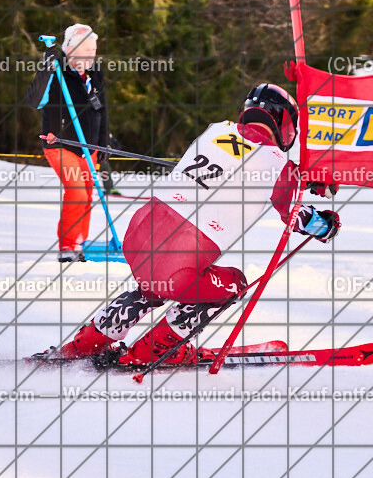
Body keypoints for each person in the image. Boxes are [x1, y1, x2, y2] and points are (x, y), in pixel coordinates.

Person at [36, 83, 341, 366]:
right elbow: (295, 214)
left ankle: (86, 342)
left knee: (154, 286)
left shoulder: (217, 130)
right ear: (284, 123)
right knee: (232, 283)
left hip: (139, 236)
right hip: (180, 258)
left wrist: (303, 180)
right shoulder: (276, 162)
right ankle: (156, 349)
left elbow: (241, 166)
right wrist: (325, 225)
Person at [25, 23, 114, 262]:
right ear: (70, 50)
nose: (90, 55)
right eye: (85, 50)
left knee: (87, 196)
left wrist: (103, 142)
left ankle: (80, 244)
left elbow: (101, 110)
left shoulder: (95, 73)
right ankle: (67, 246)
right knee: (76, 192)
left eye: (93, 50)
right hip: (60, 144)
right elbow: (34, 101)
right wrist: (46, 67)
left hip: (90, 146)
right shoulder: (56, 70)